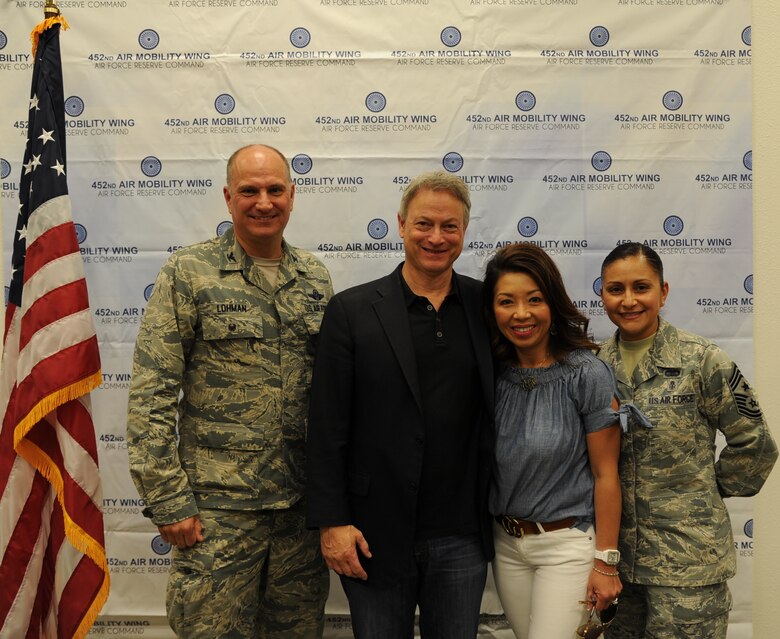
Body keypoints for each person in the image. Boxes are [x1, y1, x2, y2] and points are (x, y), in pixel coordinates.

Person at [126, 144, 332, 638]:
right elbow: (151, 395)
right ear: (227, 197)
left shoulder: (315, 279)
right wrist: (169, 500)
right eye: (249, 190)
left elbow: (331, 399)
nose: (264, 202)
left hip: (299, 516)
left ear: (292, 194)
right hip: (218, 514)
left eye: (274, 189)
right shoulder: (189, 272)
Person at [305, 170, 494, 638]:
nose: (436, 237)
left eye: (449, 226)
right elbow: (327, 424)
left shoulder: (486, 304)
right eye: (424, 224)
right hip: (373, 534)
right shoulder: (351, 310)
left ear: (464, 232)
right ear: (401, 225)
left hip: (462, 534)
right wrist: (333, 523)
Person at [598, 242, 778, 639]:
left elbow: (756, 444)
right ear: (602, 294)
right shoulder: (594, 366)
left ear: (663, 292)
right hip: (617, 567)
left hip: (688, 566)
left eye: (641, 287)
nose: (628, 300)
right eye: (616, 289)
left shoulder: (703, 360)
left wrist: (702, 493)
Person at [482, 244, 624, 639]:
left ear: (553, 303)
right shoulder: (490, 373)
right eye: (506, 301)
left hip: (567, 547)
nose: (521, 314)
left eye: (534, 299)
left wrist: (606, 562)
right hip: (506, 545)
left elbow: (605, 473)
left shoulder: (586, 374)